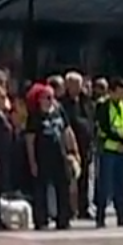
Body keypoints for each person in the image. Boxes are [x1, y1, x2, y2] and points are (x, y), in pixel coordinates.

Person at [26, 82, 76, 230]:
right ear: (39, 99)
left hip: (59, 155)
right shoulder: (35, 116)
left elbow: (67, 131)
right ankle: (41, 220)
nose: (50, 100)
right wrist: (32, 162)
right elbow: (30, 140)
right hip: (42, 156)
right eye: (46, 97)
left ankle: (63, 219)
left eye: (52, 97)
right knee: (40, 188)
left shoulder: (59, 110)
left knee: (63, 186)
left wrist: (73, 151)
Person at [93, 76, 123, 228]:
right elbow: (104, 128)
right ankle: (100, 216)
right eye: (119, 91)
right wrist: (121, 141)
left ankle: (122, 215)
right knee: (105, 184)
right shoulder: (103, 106)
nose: (122, 94)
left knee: (122, 185)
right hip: (109, 149)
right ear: (111, 91)